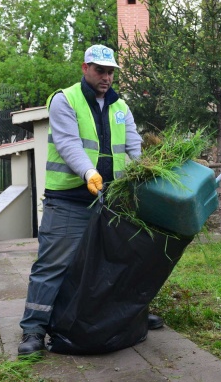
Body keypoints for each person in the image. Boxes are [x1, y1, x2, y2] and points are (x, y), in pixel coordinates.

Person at [18, 44, 163, 357]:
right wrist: (88, 172)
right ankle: (33, 330)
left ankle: (130, 316)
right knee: (53, 264)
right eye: (100, 70)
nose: (106, 77)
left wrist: (145, 176)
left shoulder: (120, 106)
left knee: (119, 263)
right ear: (85, 68)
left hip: (113, 201)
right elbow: (69, 144)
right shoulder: (64, 100)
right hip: (70, 200)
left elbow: (134, 146)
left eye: (110, 71)